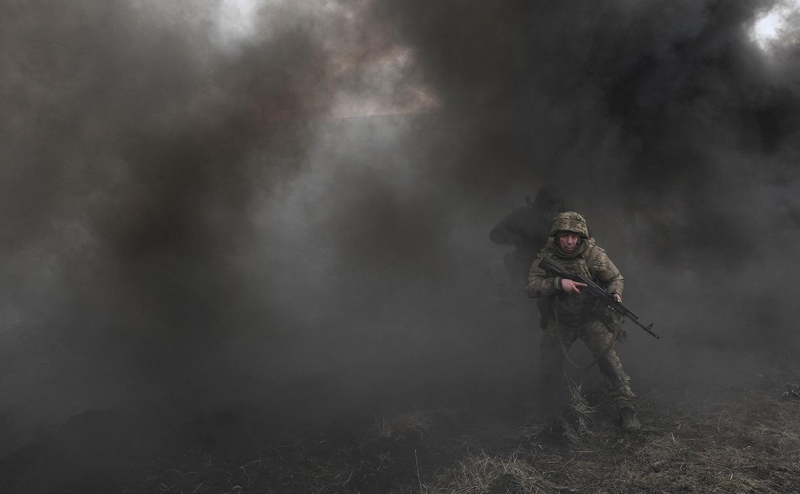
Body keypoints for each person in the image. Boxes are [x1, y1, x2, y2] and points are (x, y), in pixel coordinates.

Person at [526, 211, 640, 432]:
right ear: (556, 236)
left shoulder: (593, 255)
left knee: (610, 363)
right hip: (560, 321)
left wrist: (615, 294)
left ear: (582, 238)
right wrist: (560, 283)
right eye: (565, 236)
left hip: (591, 319)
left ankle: (627, 408)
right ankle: (547, 408)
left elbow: (615, 278)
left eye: (575, 237)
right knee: (548, 366)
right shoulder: (546, 257)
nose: (570, 242)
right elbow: (531, 287)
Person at [489, 186, 566, 287]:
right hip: (526, 266)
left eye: (554, 210)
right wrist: (519, 238)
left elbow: (585, 241)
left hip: (558, 268)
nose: (551, 214)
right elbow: (495, 234)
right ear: (539, 207)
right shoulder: (522, 215)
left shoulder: (566, 219)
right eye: (548, 210)